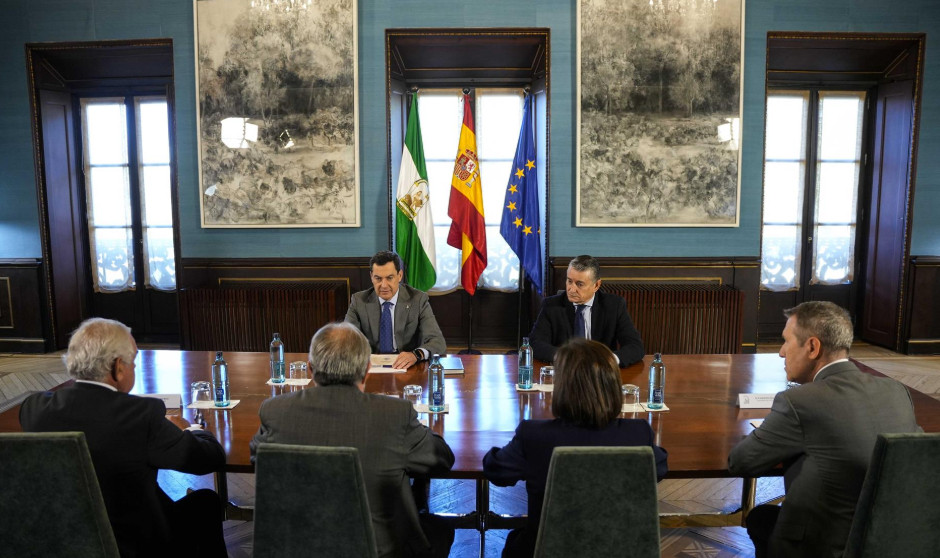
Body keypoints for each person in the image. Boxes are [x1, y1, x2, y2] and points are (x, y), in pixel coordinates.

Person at [19, 318, 227, 558]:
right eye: (134, 362)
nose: (134, 368)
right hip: (135, 545)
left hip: (61, 540)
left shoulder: (34, 408)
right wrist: (190, 428)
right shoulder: (141, 415)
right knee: (206, 503)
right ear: (118, 367)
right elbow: (208, 459)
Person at [728, 301, 922, 558]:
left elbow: (741, 462)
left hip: (821, 547)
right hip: (891, 540)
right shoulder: (896, 391)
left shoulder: (799, 402)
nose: (781, 352)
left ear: (812, 347)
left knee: (760, 517)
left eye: (786, 341)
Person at [249, 322, 456, 558]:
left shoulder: (275, 411)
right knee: (439, 529)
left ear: (310, 369)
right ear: (367, 370)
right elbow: (442, 459)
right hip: (377, 551)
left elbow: (258, 458)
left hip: (295, 548)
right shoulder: (394, 415)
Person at [483, 338, 668, 558]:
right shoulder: (638, 433)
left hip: (546, 550)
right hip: (619, 550)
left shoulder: (534, 436)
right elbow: (659, 467)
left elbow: (497, 471)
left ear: (562, 388)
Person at [529, 255, 644, 367]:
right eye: (569, 281)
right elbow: (535, 343)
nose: (572, 289)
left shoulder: (614, 306)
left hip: (600, 373)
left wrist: (608, 360)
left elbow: (635, 346)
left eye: (579, 284)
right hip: (565, 373)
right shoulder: (551, 305)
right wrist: (565, 357)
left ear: (596, 285)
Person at [345, 250, 446, 369]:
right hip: (370, 367)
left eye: (389, 278)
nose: (383, 285)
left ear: (399, 276)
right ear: (371, 276)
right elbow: (346, 339)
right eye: (378, 278)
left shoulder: (417, 300)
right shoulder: (359, 301)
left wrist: (415, 355)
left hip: (407, 367)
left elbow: (437, 342)